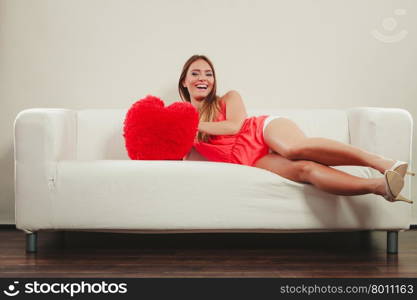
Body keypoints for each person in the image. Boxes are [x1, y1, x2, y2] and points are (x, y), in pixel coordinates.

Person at [178, 54, 414, 204]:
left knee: (293, 149)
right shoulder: (180, 117)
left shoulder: (228, 98)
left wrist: (190, 125)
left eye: (208, 74)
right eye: (195, 73)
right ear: (184, 82)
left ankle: (380, 162)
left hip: (261, 131)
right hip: (250, 160)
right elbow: (186, 156)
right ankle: (381, 187)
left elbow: (234, 126)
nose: (203, 78)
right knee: (306, 170)